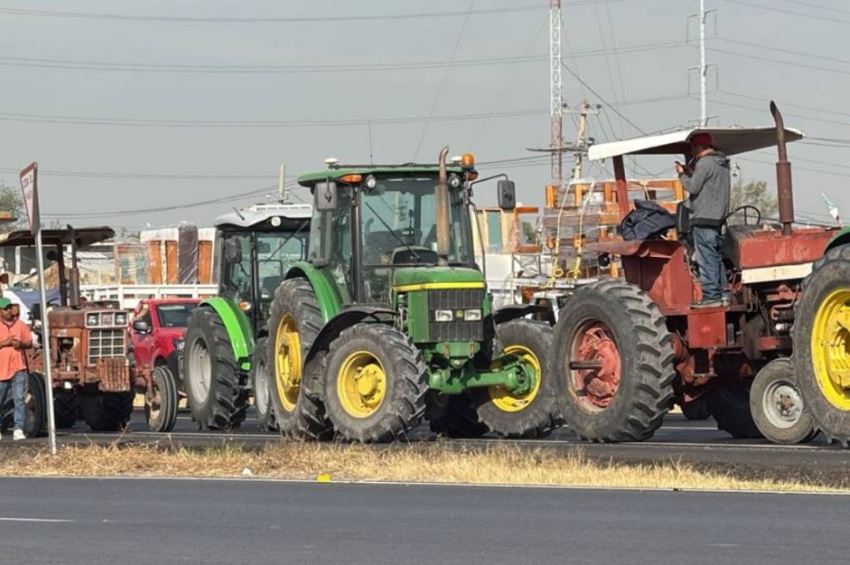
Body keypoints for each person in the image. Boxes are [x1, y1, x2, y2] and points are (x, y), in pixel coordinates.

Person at [676, 133, 731, 308]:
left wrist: (682, 175)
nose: (692, 151)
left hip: (703, 218)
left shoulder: (704, 163)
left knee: (706, 259)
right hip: (718, 219)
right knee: (717, 257)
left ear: (699, 147)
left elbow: (693, 187)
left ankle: (711, 296)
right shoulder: (722, 163)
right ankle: (723, 294)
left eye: (693, 147)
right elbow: (708, 184)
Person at [0, 297, 34, 441]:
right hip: (1, 369)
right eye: (5, 309)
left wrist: (20, 343)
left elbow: (29, 343)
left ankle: (18, 428)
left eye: (10, 308)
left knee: (19, 399)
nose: (8, 311)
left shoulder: (20, 325)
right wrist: (5, 342)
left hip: (18, 367)